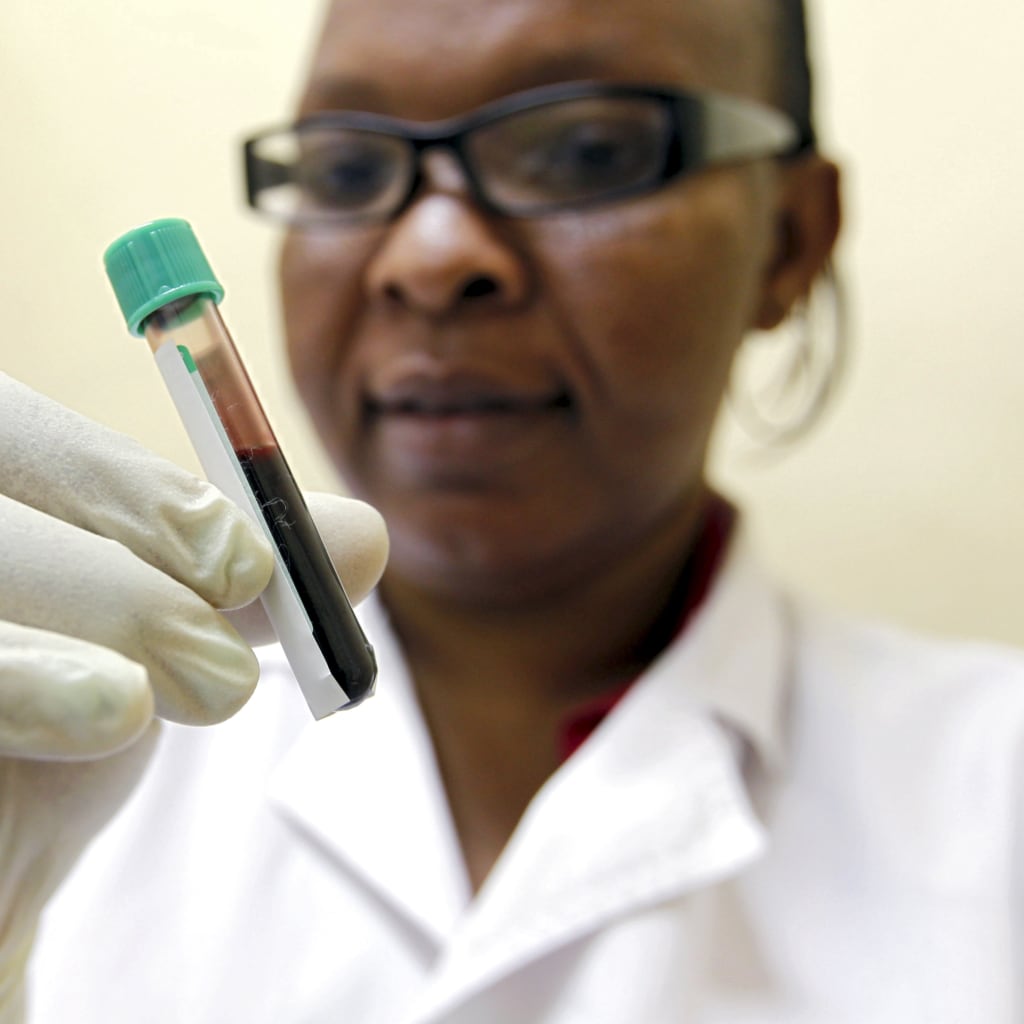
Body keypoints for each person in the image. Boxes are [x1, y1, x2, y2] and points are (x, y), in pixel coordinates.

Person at [3, 0, 1022, 1020]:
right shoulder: (65, 754)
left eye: (583, 151)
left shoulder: (993, 801)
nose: (431, 258)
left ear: (790, 238)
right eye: (349, 171)